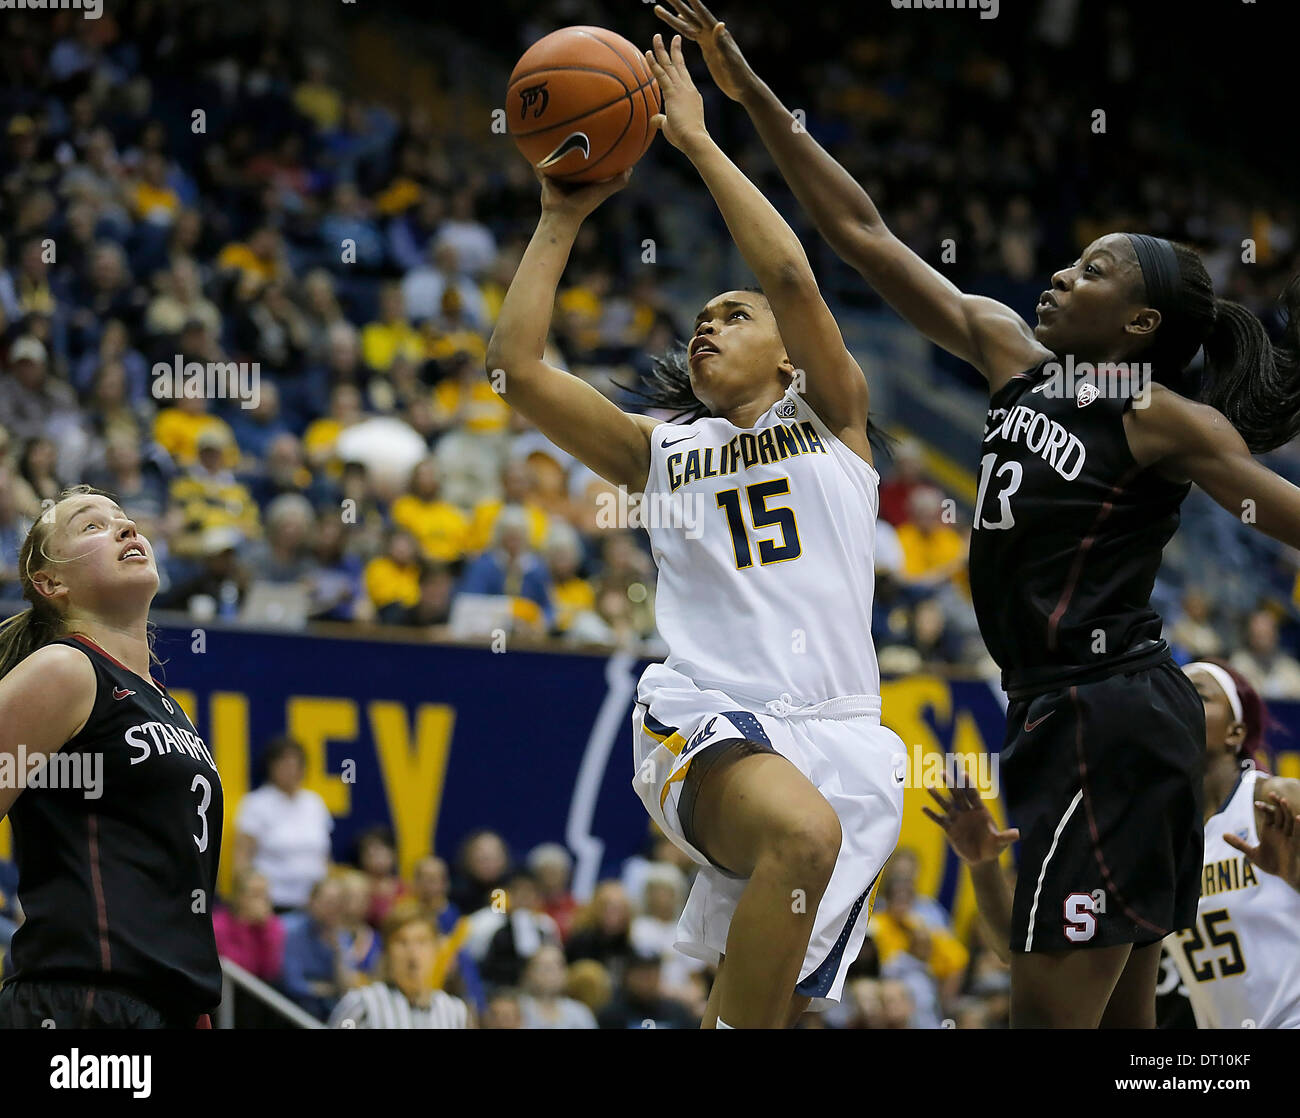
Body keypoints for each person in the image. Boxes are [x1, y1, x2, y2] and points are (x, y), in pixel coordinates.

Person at [658, 0, 1300, 1027]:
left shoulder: (1162, 419)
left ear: (1137, 322)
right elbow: (860, 234)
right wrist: (752, 98)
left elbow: (1286, 515)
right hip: (1065, 710)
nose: (1060, 271)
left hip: (1106, 707)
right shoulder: (1008, 352)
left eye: (1093, 269)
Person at [487, 34, 904, 1028]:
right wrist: (556, 216)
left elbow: (796, 280)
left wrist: (701, 144)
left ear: (788, 356)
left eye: (732, 313)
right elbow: (516, 369)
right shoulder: (658, 449)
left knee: (759, 1004)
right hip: (707, 711)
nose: (706, 326)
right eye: (699, 319)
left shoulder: (833, 422)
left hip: (842, 732)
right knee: (799, 836)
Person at [925, 659, 1300, 1030]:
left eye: (1195, 696)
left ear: (1234, 733)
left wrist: (1296, 876)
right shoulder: (1147, 833)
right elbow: (1022, 948)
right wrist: (982, 866)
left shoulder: (1273, 800)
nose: (1176, 706)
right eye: (1170, 697)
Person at [0, 486, 223, 1027]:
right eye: (92, 526)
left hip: (164, 1009)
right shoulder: (65, 668)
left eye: (125, 519)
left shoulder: (167, 706)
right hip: (80, 1004)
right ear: (50, 583)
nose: (127, 529)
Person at [233, 735, 333, 912]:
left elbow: (324, 856)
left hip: (315, 907)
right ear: (271, 767)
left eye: (295, 764)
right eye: (284, 764)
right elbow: (242, 858)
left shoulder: (315, 803)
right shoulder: (256, 803)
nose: (291, 770)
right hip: (273, 905)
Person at [328, 908, 471, 1029]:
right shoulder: (362, 1004)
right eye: (402, 942)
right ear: (387, 952)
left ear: (435, 950)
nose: (413, 953)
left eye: (422, 942)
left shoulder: (454, 1011)